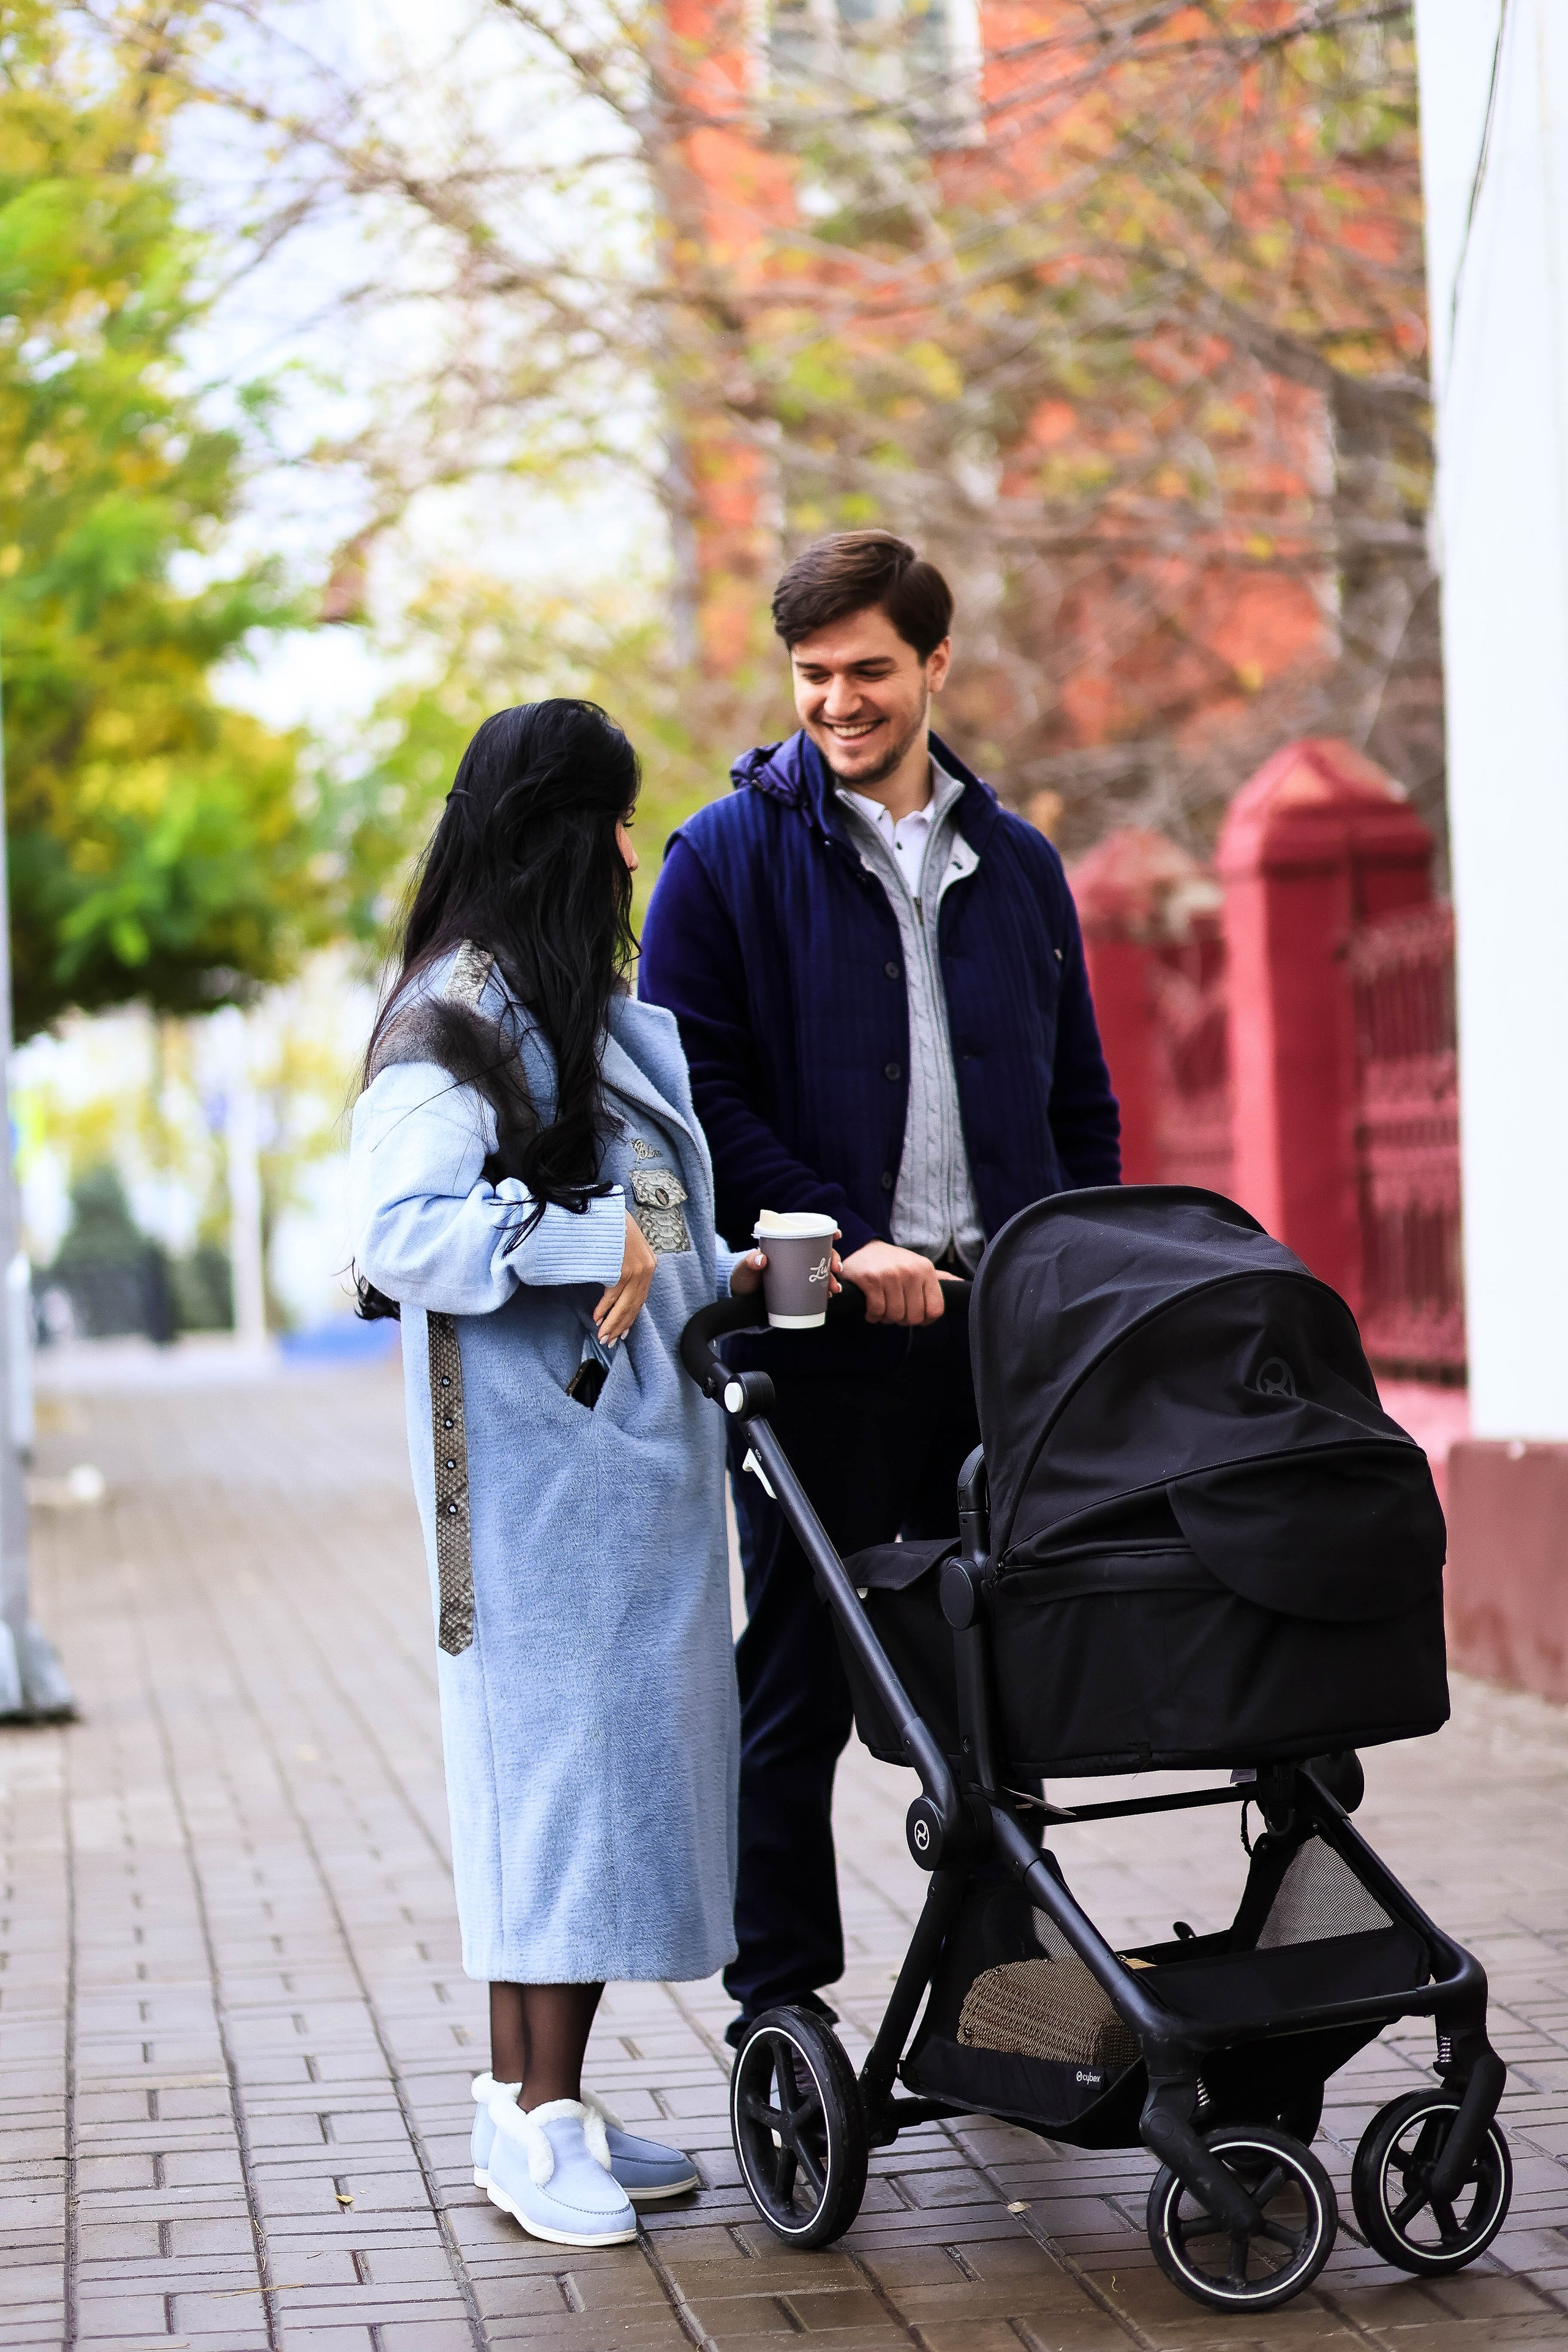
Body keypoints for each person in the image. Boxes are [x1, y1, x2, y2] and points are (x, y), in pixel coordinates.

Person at [638, 530, 1121, 2044]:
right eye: (811, 675)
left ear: (933, 666)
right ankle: (779, 1999)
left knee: (996, 1660)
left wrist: (1077, 1272)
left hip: (996, 1331)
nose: (837, 701)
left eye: (866, 671)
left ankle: (1012, 1980)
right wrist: (845, 1243)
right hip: (816, 1331)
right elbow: (693, 1093)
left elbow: (1077, 1105)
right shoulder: (720, 861)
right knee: (793, 1670)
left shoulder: (1019, 862)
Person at [348, 700, 801, 2250]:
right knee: (549, 1795)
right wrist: (570, 1240)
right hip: (533, 1491)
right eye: (612, 821)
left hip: (620, 1476)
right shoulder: (462, 1014)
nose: (630, 848)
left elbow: (641, 1221)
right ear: (558, 834)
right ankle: (522, 2124)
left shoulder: (569, 1007)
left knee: (603, 1799)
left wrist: (730, 1271)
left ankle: (552, 2103)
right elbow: (397, 1230)